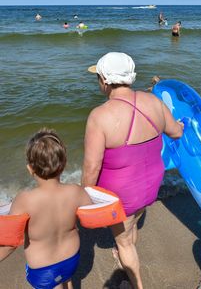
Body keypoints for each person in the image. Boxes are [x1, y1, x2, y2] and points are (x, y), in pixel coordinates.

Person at [82, 52, 184, 289]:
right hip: (151, 184)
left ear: (105, 81)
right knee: (130, 227)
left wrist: (85, 199)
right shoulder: (155, 103)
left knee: (124, 241)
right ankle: (128, 252)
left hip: (122, 195)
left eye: (97, 77)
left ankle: (136, 283)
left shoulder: (100, 116)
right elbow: (177, 132)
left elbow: (91, 166)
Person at [0, 128, 92, 289]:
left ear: (30, 168)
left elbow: (11, 241)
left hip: (43, 269)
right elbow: (92, 214)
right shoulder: (76, 191)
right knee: (66, 279)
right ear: (64, 164)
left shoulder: (24, 199)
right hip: (71, 258)